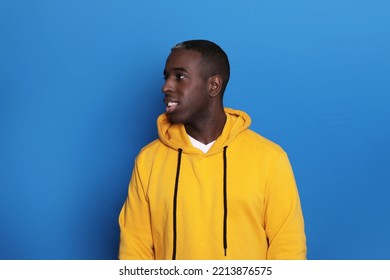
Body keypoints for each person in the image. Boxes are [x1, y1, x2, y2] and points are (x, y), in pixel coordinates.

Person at [118, 39, 307, 260]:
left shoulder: (270, 158)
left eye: (180, 76)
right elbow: (134, 249)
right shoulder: (148, 161)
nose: (166, 87)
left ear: (213, 86)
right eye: (166, 77)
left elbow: (288, 247)